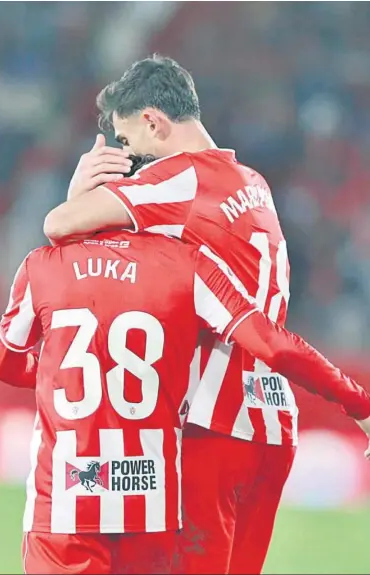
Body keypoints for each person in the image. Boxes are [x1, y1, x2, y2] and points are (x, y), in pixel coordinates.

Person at [43, 55, 370, 574]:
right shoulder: (253, 182)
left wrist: (82, 188)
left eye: (129, 143)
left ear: (153, 121)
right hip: (273, 425)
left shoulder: (178, 179)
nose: (131, 160)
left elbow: (59, 226)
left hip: (212, 425)